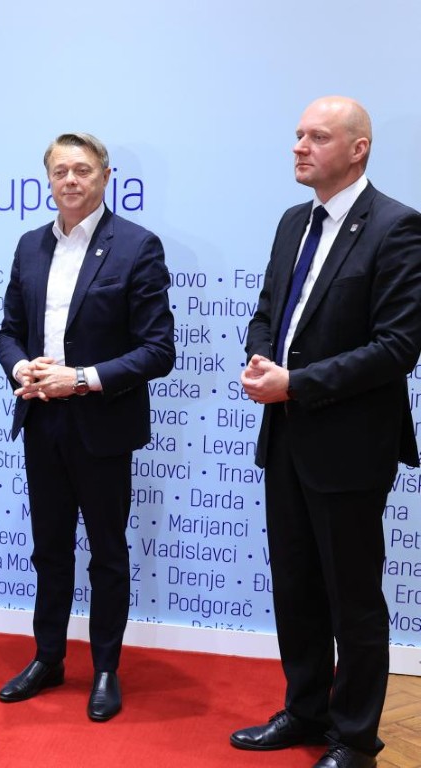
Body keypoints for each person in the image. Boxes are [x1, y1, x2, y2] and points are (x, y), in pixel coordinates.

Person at [231, 97, 421, 768]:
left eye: (316, 136)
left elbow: (397, 347)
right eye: (297, 135)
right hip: (286, 436)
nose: (299, 146)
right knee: (296, 587)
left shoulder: (397, 228)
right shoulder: (293, 222)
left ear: (357, 148)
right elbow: (267, 312)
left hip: (349, 445)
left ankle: (354, 739)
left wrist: (297, 383)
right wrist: (262, 359)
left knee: (352, 600)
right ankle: (304, 710)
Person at [0, 132, 175, 721]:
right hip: (41, 419)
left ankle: (105, 670)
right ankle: (48, 658)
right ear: (48, 178)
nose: (70, 180)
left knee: (107, 554)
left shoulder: (137, 247)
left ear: (105, 176)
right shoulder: (29, 246)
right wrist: (21, 366)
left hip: (102, 425)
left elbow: (158, 350)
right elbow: (8, 331)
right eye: (60, 171)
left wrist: (80, 378)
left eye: (82, 170)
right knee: (49, 549)